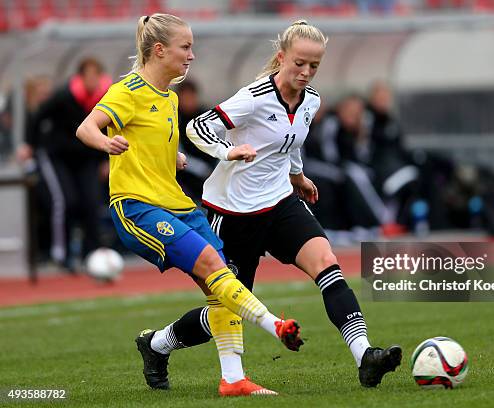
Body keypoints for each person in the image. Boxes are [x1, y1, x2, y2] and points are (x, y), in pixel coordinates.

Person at [148, 20, 402, 393]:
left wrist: (297, 176)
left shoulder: (311, 100)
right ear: (282, 57)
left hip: (280, 203)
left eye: (314, 66)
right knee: (229, 309)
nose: (305, 72)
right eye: (299, 63)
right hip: (232, 213)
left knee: (328, 267)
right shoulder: (254, 96)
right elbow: (198, 128)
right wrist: (228, 150)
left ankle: (365, 356)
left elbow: (290, 143)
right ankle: (157, 344)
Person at [75, 13, 303, 397]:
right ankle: (275, 325)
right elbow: (86, 128)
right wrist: (106, 143)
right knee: (217, 268)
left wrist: (175, 156)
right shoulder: (127, 90)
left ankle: (231, 379)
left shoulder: (170, 97)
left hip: (177, 204)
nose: (191, 55)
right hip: (138, 207)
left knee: (222, 283)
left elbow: (152, 140)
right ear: (160, 50)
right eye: (186, 47)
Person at [29, 60, 111, 270]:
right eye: (89, 75)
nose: (93, 80)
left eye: (96, 75)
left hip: (86, 158)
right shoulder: (65, 96)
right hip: (59, 157)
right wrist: (31, 145)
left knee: (91, 203)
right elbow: (39, 117)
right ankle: (61, 254)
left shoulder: (106, 98)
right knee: (65, 200)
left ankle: (92, 254)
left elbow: (108, 130)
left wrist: (105, 160)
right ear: (81, 77)